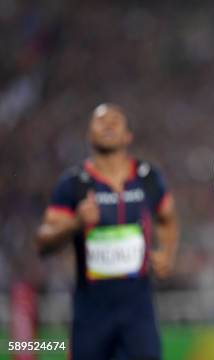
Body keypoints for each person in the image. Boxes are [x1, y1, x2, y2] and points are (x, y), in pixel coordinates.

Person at [37, 103, 179, 360]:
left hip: (139, 311)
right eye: (100, 121)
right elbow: (43, 241)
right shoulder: (73, 183)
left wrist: (167, 253)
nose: (108, 124)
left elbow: (167, 218)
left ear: (128, 136)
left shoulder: (147, 177)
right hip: (91, 312)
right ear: (89, 134)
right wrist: (75, 222)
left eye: (115, 121)